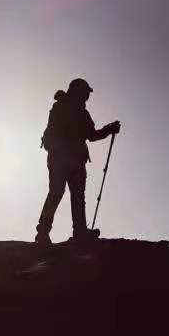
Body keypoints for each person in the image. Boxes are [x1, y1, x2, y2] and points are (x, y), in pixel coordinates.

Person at [36, 78, 121, 245]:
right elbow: (91, 135)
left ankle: (73, 231)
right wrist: (108, 130)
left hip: (70, 158)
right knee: (59, 193)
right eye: (86, 92)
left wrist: (108, 129)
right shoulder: (66, 107)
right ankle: (48, 232)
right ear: (79, 91)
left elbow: (91, 135)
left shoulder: (72, 109)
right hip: (63, 157)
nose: (87, 96)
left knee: (70, 195)